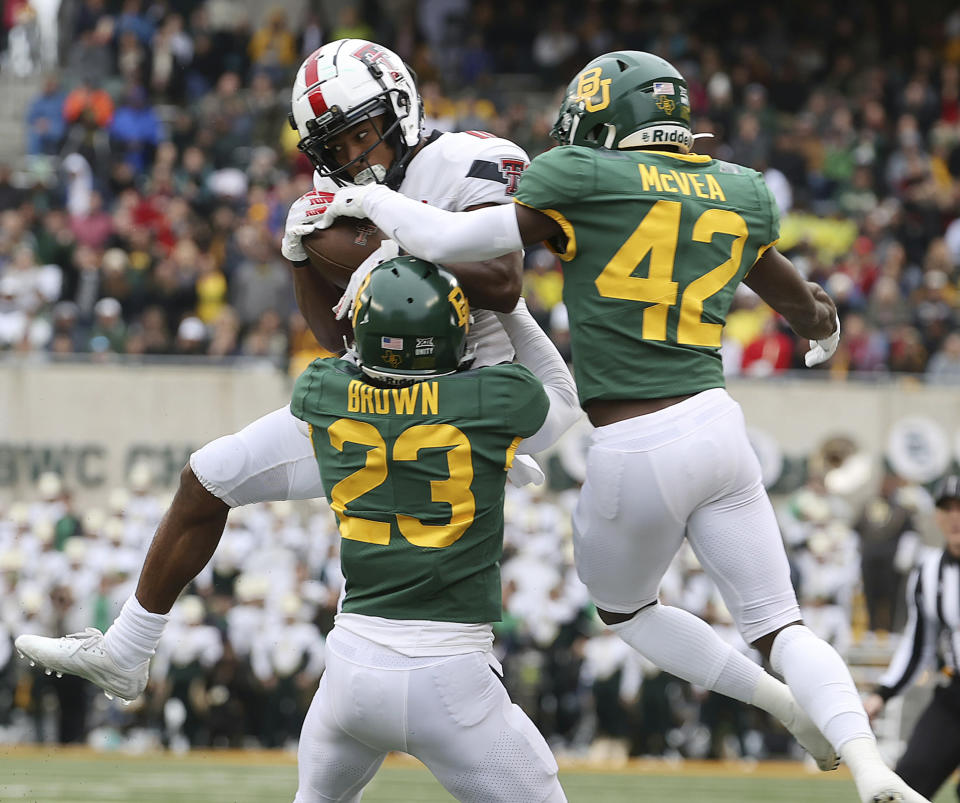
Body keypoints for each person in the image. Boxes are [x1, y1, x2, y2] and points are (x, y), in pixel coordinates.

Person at [315, 50, 930, 803]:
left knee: (630, 609)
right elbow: (801, 301)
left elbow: (452, 245)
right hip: (718, 427)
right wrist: (822, 328)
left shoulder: (582, 177)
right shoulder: (734, 187)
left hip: (633, 442)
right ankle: (868, 764)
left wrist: (367, 207)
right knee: (781, 624)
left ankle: (775, 706)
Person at [10, 36, 541, 705]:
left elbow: (501, 279)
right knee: (208, 475)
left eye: (361, 135)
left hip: (461, 413)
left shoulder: (469, 160)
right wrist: (300, 256)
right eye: (333, 149)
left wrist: (388, 231)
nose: (351, 159)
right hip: (372, 402)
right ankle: (128, 647)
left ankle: (473, 697)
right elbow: (337, 332)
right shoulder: (338, 189)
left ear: (399, 107)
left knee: (393, 625)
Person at [18, 257, 579, 802]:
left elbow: (339, 350)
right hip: (452, 682)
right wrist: (508, 305)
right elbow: (562, 395)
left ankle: (130, 642)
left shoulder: (324, 389)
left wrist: (310, 260)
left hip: (351, 676)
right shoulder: (494, 399)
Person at [862, 474, 960, 801]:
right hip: (954, 697)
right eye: (947, 509)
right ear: (937, 516)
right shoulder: (929, 571)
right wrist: (882, 694)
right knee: (901, 789)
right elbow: (920, 645)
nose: (955, 517)